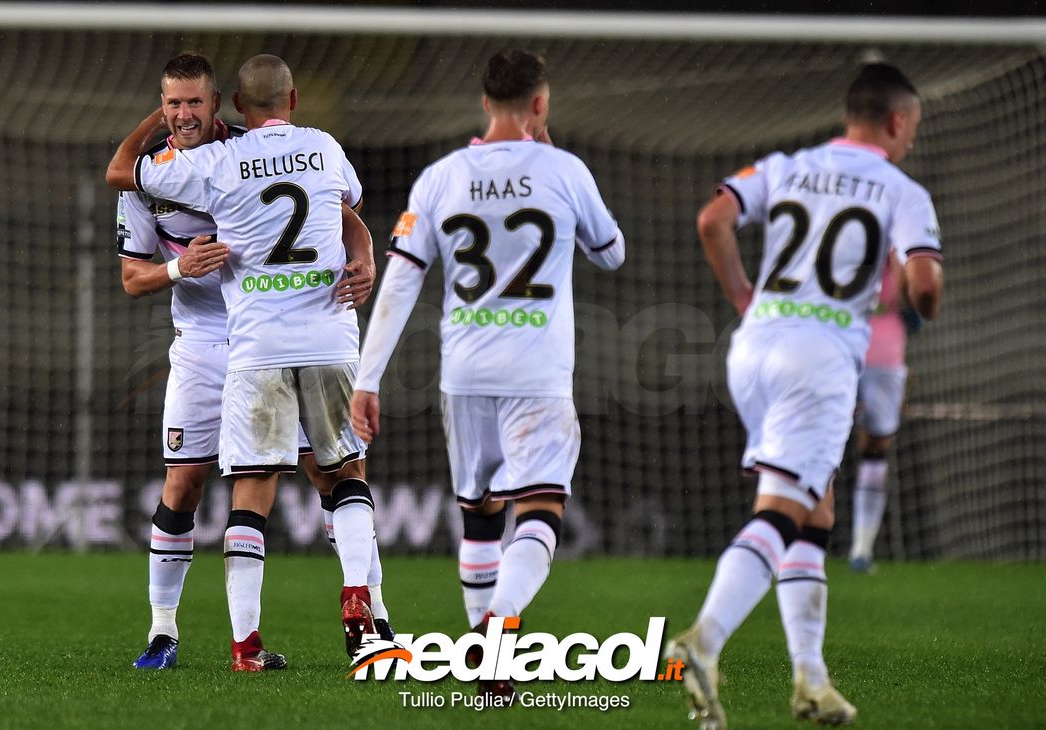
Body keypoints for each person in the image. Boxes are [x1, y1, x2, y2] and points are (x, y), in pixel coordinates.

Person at [667, 63, 943, 729]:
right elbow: (926, 284)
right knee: (784, 512)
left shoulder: (784, 165)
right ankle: (701, 642)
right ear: (897, 121)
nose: (910, 139)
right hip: (817, 359)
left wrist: (744, 295)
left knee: (814, 511)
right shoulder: (902, 189)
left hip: (753, 348)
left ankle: (811, 681)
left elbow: (713, 219)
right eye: (912, 127)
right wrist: (922, 304)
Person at [349, 48, 625, 697]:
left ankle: (490, 665)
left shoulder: (441, 177)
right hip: (537, 372)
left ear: (483, 102)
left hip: (465, 373)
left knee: (479, 514)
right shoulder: (565, 169)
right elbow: (611, 254)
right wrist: (553, 160)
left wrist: (367, 378)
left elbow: (401, 283)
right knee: (540, 508)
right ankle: (499, 625)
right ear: (540, 103)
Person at [108, 53, 387, 671]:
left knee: (324, 475)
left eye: (193, 102)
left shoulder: (225, 156)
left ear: (220, 104)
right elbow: (131, 278)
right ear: (161, 107)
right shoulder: (154, 182)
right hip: (206, 343)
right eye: (172, 104)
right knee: (185, 483)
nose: (183, 115)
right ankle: (162, 631)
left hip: (259, 339)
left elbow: (346, 218)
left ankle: (372, 619)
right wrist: (180, 267)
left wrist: (364, 255)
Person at [848, 252, 916, 573]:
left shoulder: (900, 250)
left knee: (875, 447)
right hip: (845, 350)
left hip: (883, 356)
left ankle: (862, 548)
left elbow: (913, 297)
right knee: (824, 444)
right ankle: (802, 539)